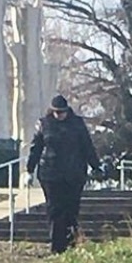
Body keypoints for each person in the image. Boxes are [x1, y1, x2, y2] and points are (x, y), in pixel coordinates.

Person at [26, 94, 100, 254]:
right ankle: (56, 246)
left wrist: (96, 166)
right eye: (56, 112)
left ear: (67, 111)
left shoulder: (77, 124)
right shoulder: (44, 124)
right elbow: (36, 148)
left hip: (74, 173)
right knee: (55, 210)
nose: (59, 115)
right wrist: (29, 170)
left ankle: (71, 243)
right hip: (50, 174)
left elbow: (87, 147)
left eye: (62, 112)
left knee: (71, 210)